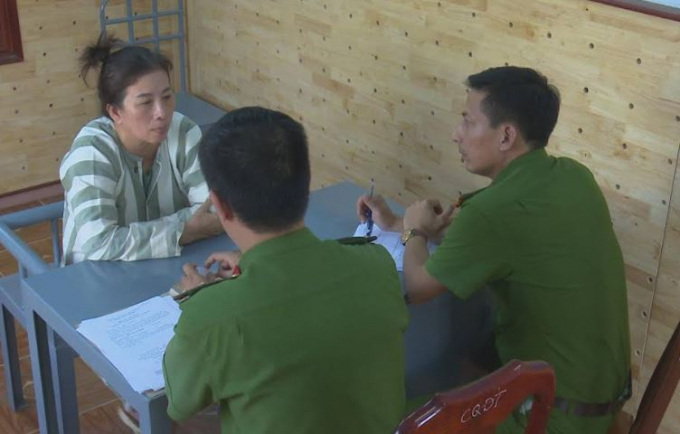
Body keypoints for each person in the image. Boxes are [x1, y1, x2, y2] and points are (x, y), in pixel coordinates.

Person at [357, 66, 631, 433]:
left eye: (468, 121)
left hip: (550, 416)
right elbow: (509, 236)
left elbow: (419, 287)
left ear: (506, 136)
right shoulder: (573, 176)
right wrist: (396, 222)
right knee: (471, 354)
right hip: (603, 399)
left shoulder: (491, 213)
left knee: (384, 420)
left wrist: (413, 232)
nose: (456, 133)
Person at [162, 107, 408, 434]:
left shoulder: (209, 316)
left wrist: (197, 300)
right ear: (305, 186)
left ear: (218, 206)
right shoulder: (376, 263)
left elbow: (179, 402)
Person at [59, 33, 221, 264]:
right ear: (115, 112)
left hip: (163, 266)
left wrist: (132, 236)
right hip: (96, 274)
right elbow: (99, 244)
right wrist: (184, 231)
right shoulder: (92, 151)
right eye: (146, 102)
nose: (162, 113)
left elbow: (215, 209)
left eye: (167, 97)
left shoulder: (183, 131)